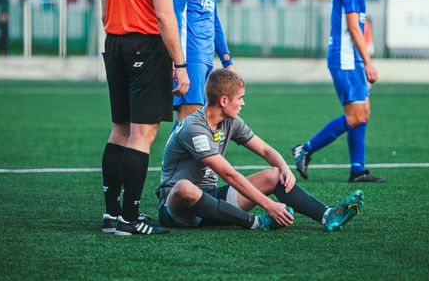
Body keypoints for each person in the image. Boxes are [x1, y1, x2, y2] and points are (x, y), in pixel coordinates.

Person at [155, 69, 364, 232]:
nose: (243, 103)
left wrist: (284, 167)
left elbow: (265, 150)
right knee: (185, 187)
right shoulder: (194, 128)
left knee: (275, 174)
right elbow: (229, 174)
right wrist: (269, 205)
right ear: (224, 100)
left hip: (212, 199)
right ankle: (256, 223)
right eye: (240, 98)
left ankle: (328, 215)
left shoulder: (231, 121)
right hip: (178, 209)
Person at [100, 0, 190, 236]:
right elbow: (164, 14)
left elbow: (105, 12)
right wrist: (179, 64)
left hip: (115, 44)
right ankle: (130, 219)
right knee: (143, 133)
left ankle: (112, 215)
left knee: (120, 129)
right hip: (146, 47)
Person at [292, 0, 385, 183]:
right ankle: (305, 149)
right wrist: (369, 62)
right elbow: (354, 29)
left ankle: (358, 170)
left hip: (351, 59)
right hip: (345, 60)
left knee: (363, 113)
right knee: (355, 116)